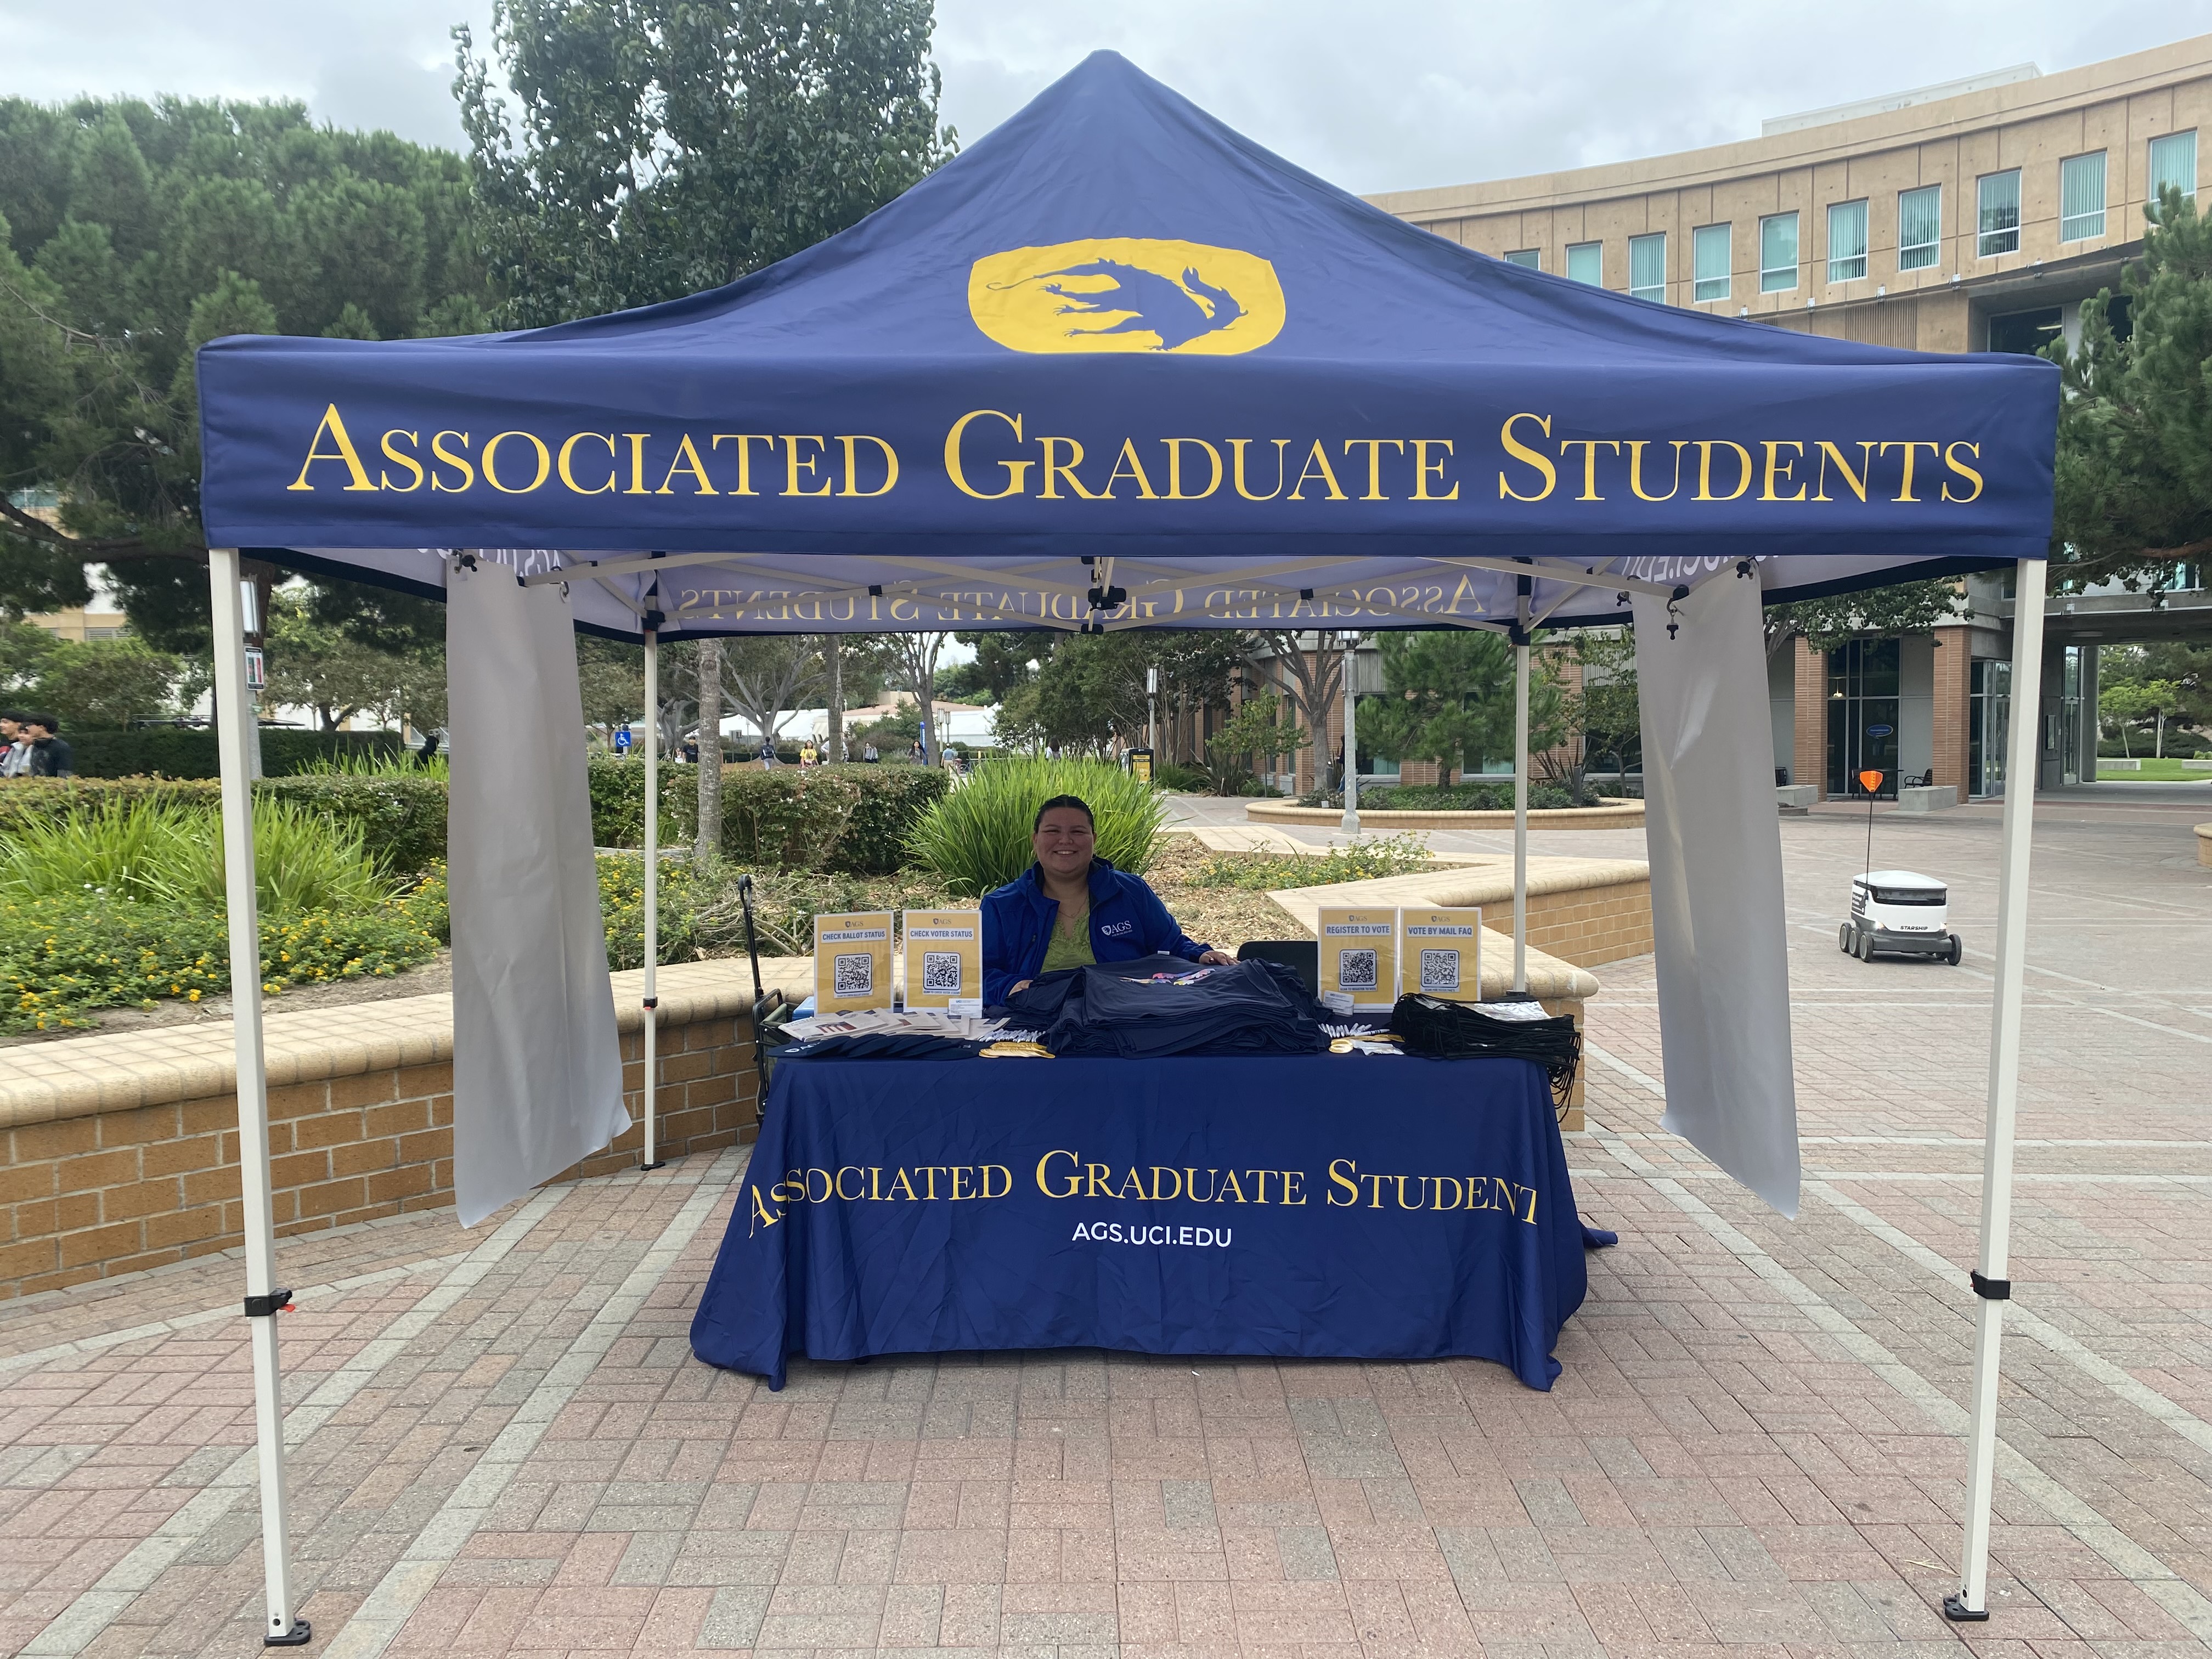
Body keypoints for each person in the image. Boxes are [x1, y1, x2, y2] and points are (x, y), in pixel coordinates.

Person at [983, 794, 1232, 1002]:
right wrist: (1011, 987)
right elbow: (977, 975)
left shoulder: (1132, 892)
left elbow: (1170, 944)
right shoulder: (1001, 906)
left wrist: (1200, 955)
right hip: (1036, 1019)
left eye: (1078, 831)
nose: (1066, 840)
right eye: (1053, 831)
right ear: (1035, 839)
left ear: (1094, 839)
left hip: (1125, 1013)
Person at [21, 712, 72, 778]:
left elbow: (65, 774)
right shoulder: (34, 745)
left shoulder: (61, 747)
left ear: (41, 728)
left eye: (30, 725)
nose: (27, 728)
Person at [0, 710, 27, 778]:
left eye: (6, 722)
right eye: (1, 722)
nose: (1, 725)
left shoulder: (24, 745)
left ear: (18, 725)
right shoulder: (2, 743)